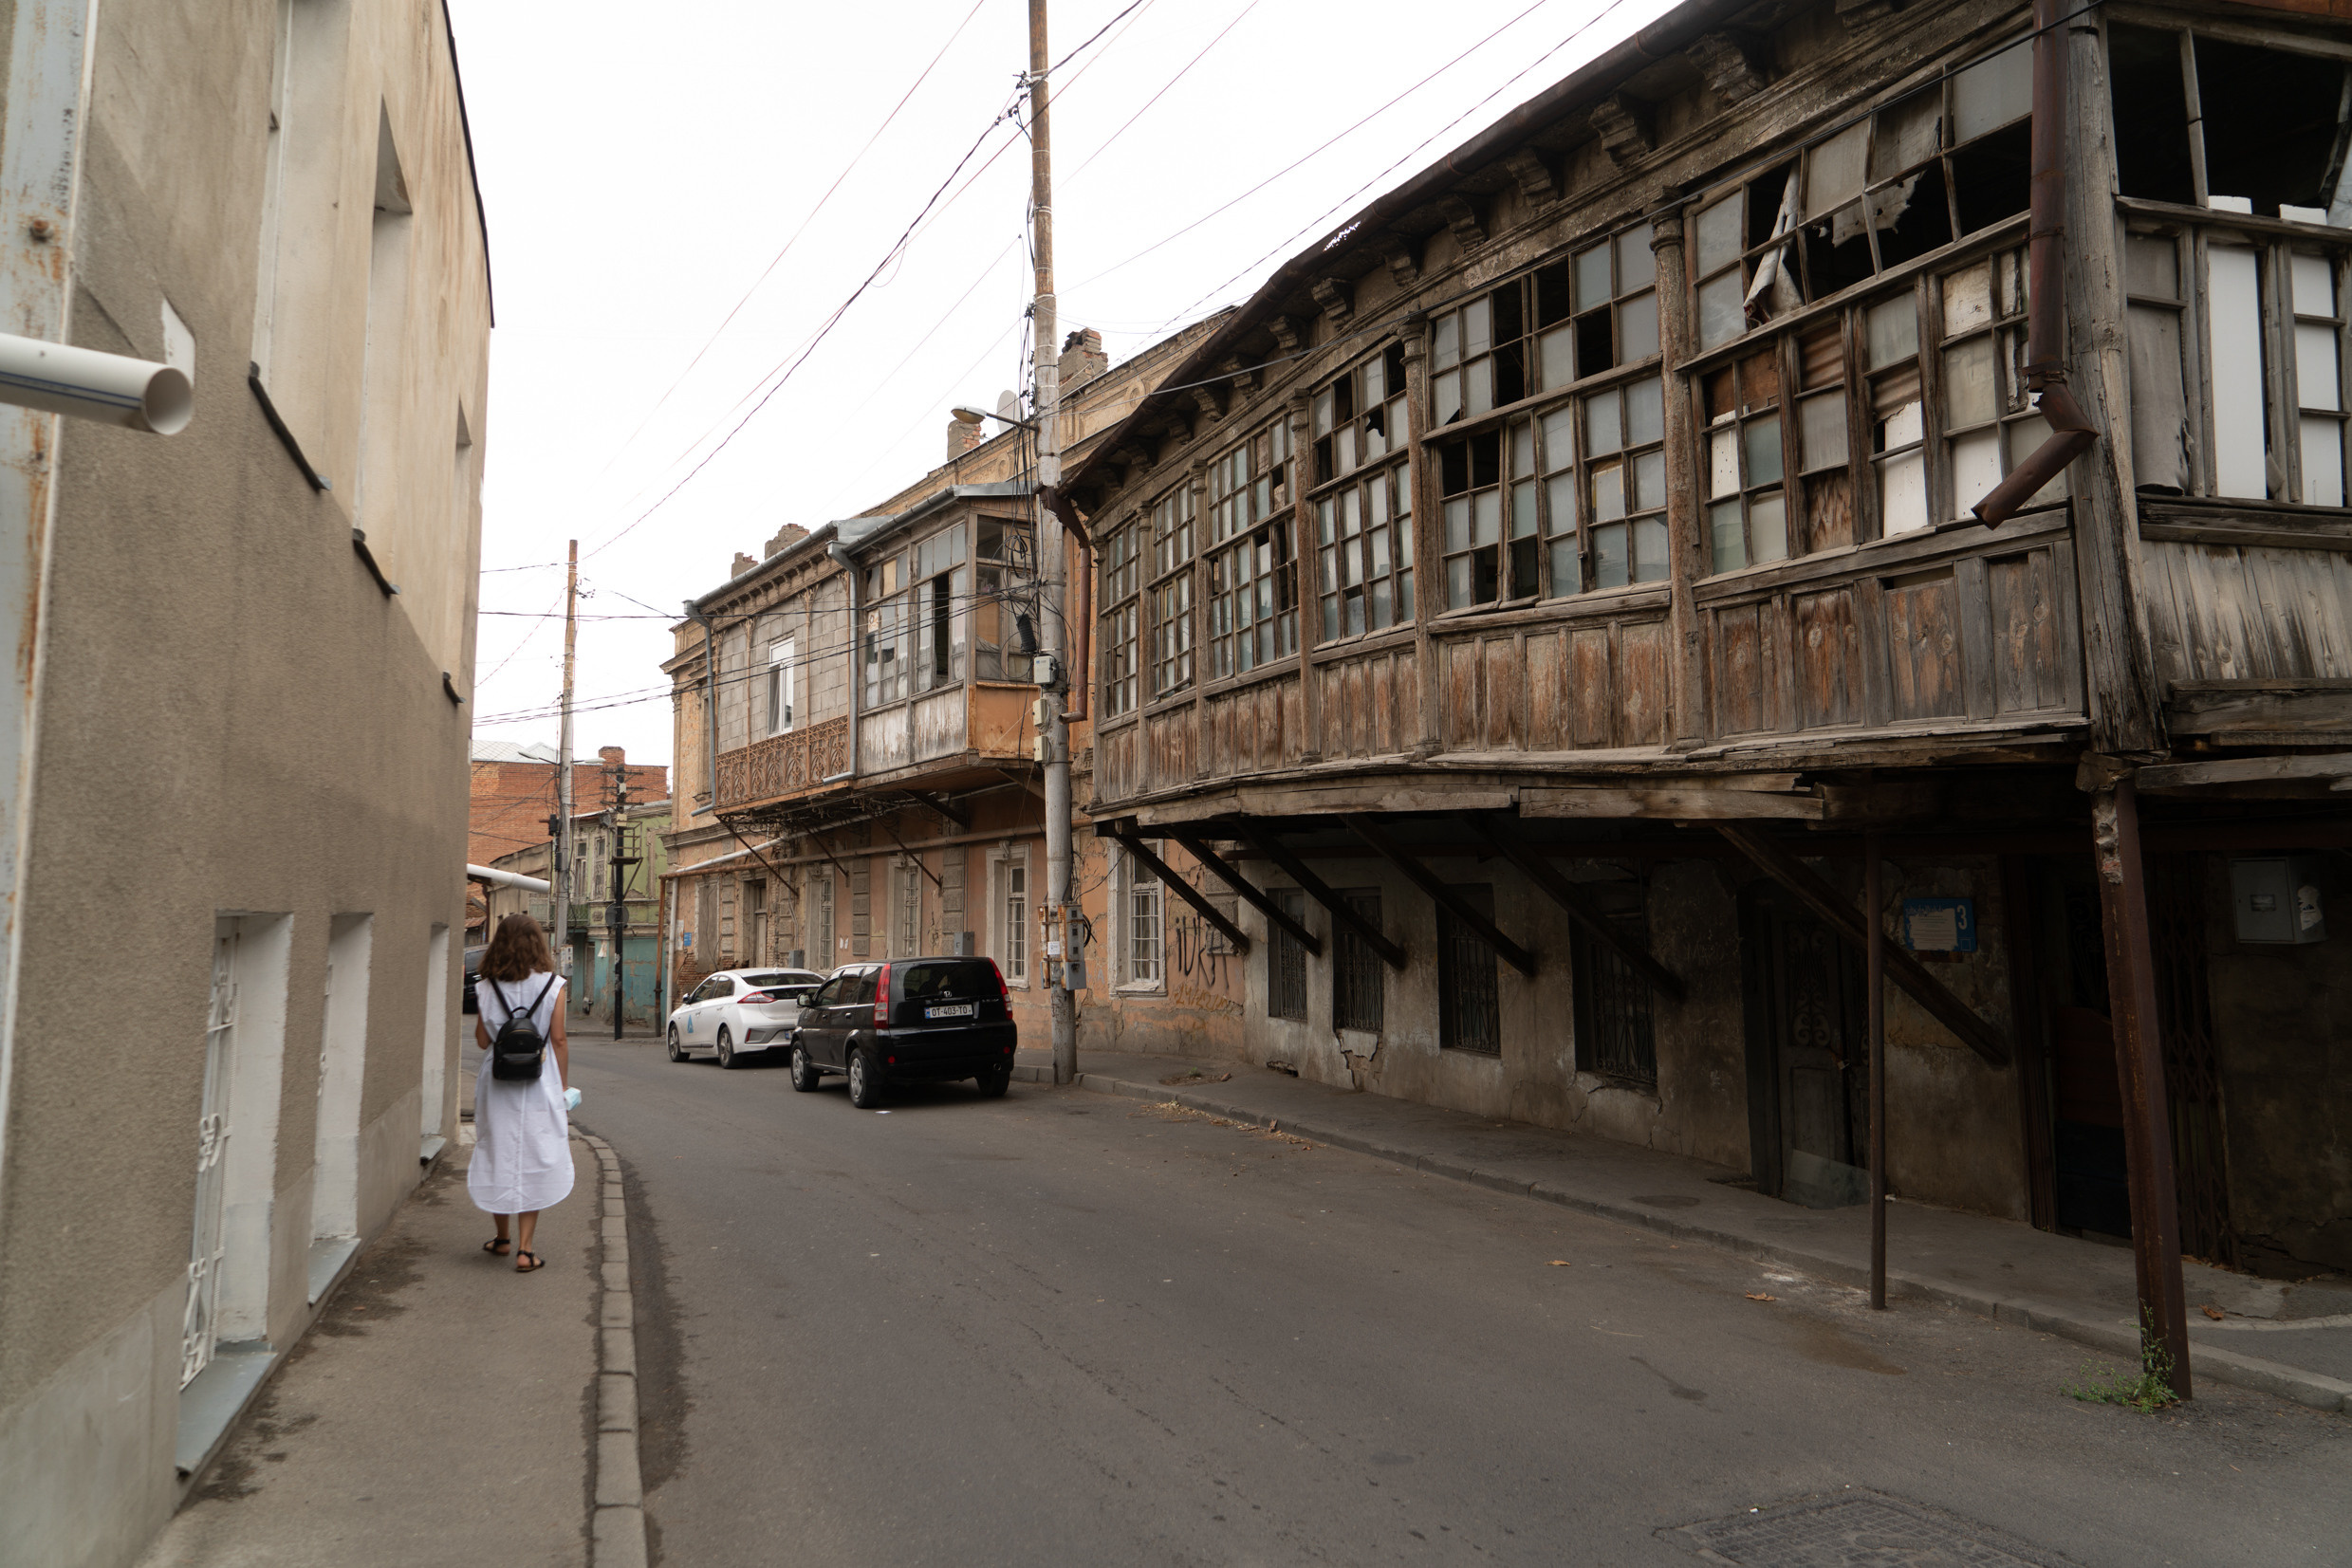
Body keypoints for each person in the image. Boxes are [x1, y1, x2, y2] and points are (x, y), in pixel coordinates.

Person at [470, 913, 573, 1272]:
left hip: (497, 1083)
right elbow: (558, 1040)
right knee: (534, 1157)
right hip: (539, 1082)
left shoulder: (486, 987)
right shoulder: (554, 985)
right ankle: (526, 1251)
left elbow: (482, 1040)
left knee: (498, 1152)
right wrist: (562, 1087)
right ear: (536, 945)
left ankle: (502, 1239)